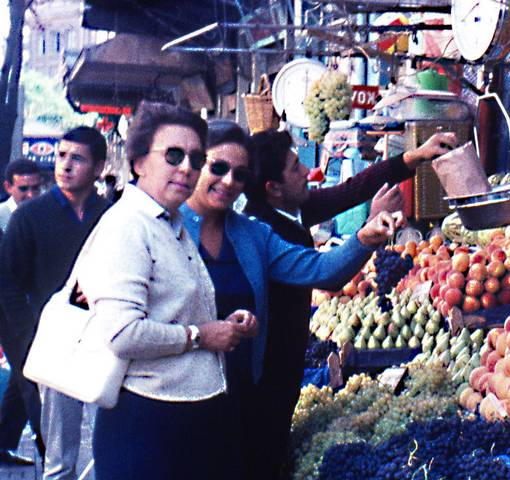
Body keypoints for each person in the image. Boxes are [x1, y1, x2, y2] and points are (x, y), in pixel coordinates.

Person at [180, 120, 404, 479]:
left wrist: (367, 236)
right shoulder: (163, 229)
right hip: (177, 400)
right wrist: (199, 335)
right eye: (217, 168)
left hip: (244, 396)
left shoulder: (253, 234)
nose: (227, 182)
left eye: (238, 175)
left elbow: (321, 270)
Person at [244, 128, 457, 479]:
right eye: (295, 166)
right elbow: (326, 275)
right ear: (273, 188)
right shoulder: (263, 229)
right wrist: (367, 235)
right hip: (267, 372)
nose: (305, 172)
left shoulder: (290, 208)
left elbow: (351, 190)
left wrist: (414, 157)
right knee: (264, 457)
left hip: (286, 363)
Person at [70, 102, 256, 480]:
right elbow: (122, 333)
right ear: (138, 163)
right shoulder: (128, 226)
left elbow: (172, 308)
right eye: (173, 156)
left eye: (195, 158)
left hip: (185, 420)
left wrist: (223, 325)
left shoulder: (169, 221)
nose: (186, 168)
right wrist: (201, 336)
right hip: (146, 425)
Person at [0, 127, 111, 479]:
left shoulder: (111, 216)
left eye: (76, 158)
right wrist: (30, 335)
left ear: (98, 167)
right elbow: (8, 283)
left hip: (105, 338)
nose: (64, 165)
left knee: (108, 438)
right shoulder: (29, 215)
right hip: (54, 341)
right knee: (59, 450)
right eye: (61, 155)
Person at [0, 158, 44, 466]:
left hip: (30, 309)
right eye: (23, 189)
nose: (30, 195)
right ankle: (49, 450)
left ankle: (3, 443)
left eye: (35, 188)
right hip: (9, 312)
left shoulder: (40, 216)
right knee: (31, 379)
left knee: (21, 378)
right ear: (8, 187)